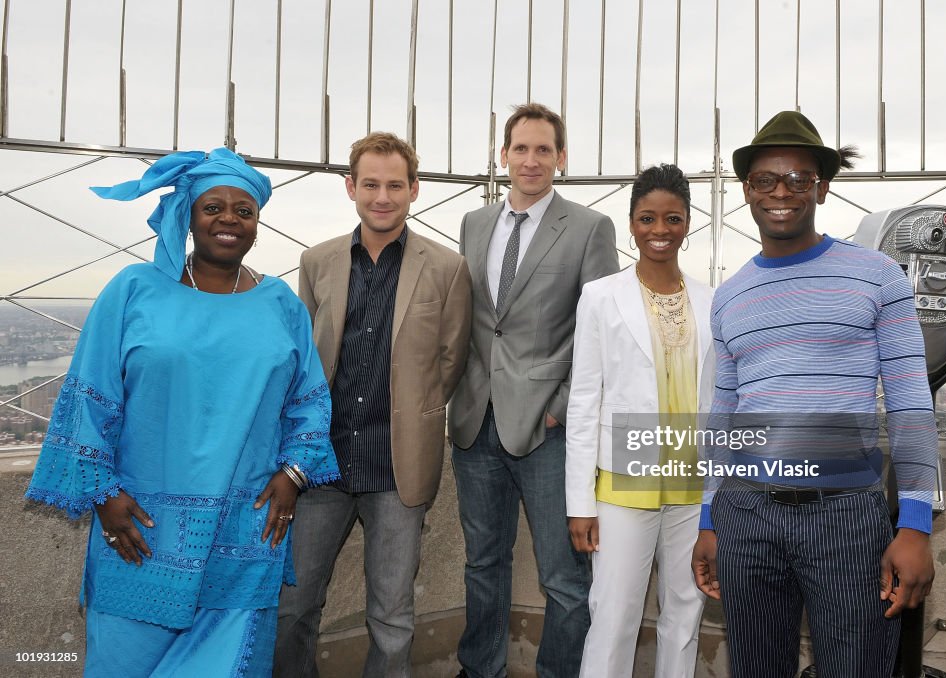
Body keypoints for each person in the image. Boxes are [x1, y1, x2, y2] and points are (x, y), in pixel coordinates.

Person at [24, 147, 340, 677]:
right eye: (212, 207)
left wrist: (293, 473)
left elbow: (309, 401)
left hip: (245, 535)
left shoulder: (282, 304)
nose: (229, 220)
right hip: (143, 532)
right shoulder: (133, 290)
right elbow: (88, 397)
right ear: (188, 215)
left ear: (257, 223)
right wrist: (103, 495)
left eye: (244, 211)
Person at [690, 111, 938, 677]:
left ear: (821, 187)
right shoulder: (730, 297)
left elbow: (910, 405)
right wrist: (709, 519)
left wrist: (916, 524)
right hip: (745, 518)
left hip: (845, 519)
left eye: (798, 179)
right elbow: (723, 416)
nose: (781, 192)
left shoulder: (877, 276)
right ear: (747, 192)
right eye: (764, 181)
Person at [274, 132, 472, 678]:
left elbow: (449, 362)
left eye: (393, 185)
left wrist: (412, 414)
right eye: (370, 184)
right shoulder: (317, 262)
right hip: (320, 466)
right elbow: (306, 360)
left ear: (414, 190)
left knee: (392, 616)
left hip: (397, 467)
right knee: (293, 606)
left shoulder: (447, 268)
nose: (381, 196)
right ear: (350, 188)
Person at [448, 102, 620, 678]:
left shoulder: (591, 228)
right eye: (520, 148)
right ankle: (481, 671)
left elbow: (600, 331)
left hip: (550, 432)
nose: (530, 160)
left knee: (565, 579)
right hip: (475, 423)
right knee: (482, 565)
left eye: (543, 149)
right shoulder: (474, 224)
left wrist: (560, 409)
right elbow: (475, 322)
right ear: (503, 155)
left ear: (561, 159)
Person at [565, 164, 711, 678]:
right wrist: (579, 503)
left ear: (688, 222)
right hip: (624, 483)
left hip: (693, 486)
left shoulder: (712, 301)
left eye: (672, 218)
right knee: (613, 616)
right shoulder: (600, 297)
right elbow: (584, 400)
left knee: (686, 613)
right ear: (631, 223)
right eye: (647, 218)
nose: (660, 230)